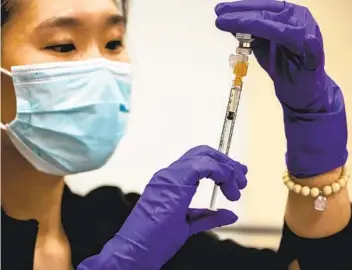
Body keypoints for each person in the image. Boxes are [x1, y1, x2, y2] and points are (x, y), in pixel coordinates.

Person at [1, 0, 351, 269]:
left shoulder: (128, 229)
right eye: (63, 45)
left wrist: (315, 145)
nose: (102, 70)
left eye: (112, 43)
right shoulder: (134, 249)